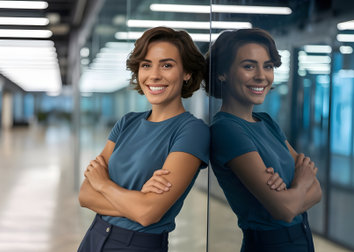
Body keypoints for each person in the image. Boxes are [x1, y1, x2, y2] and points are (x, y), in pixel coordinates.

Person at [77, 26, 285, 252]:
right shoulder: (127, 122)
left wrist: (103, 184)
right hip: (94, 237)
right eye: (146, 65)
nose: (154, 75)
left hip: (136, 245)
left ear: (186, 73)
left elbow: (148, 214)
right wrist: (136, 200)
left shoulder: (192, 131)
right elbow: (86, 195)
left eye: (167, 65)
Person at [203, 28, 322, 251]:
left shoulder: (266, 122)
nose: (261, 76)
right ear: (222, 73)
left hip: (301, 240)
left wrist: (290, 193)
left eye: (267, 66)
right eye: (248, 66)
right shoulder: (226, 129)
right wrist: (301, 181)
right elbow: (284, 210)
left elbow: (317, 191)